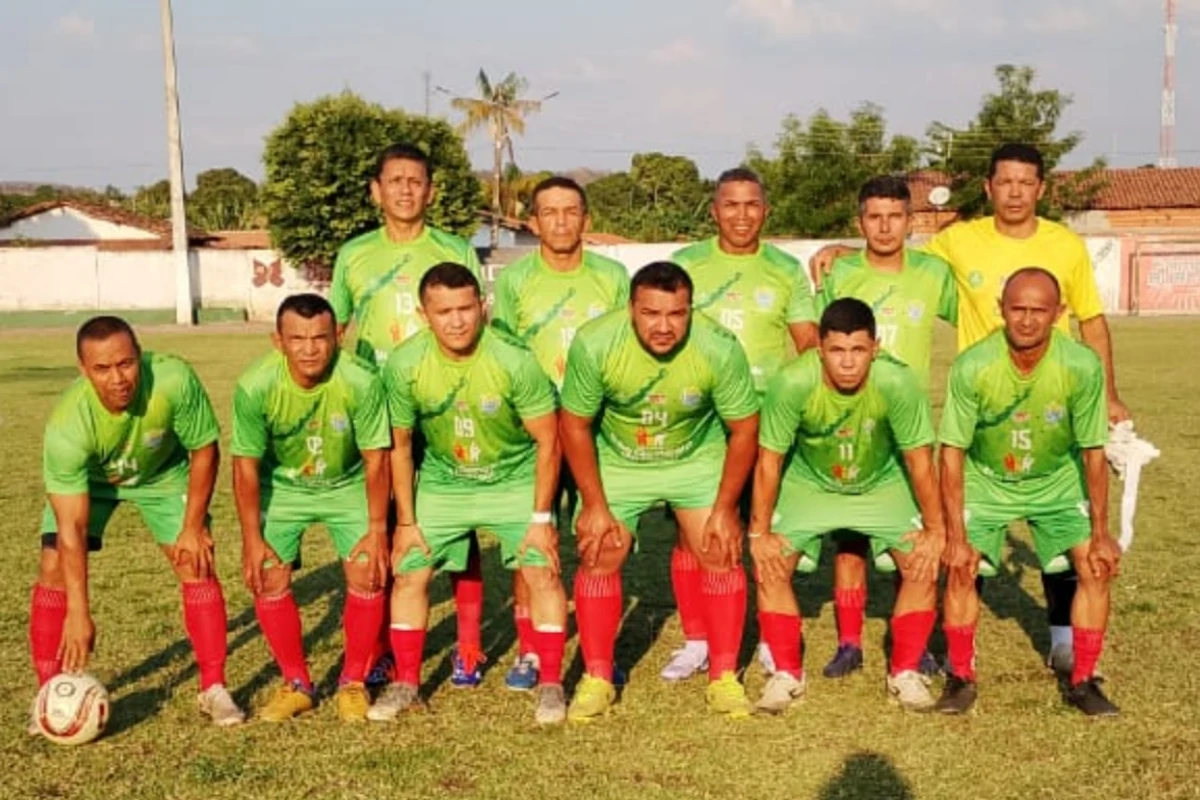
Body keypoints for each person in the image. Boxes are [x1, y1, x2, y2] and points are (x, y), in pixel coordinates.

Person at [810, 143, 1130, 673]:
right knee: (952, 530)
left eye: (1026, 182)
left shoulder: (1066, 246)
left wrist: (1110, 392)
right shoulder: (957, 242)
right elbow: (892, 258)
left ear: (1041, 189)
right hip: (977, 401)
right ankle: (946, 642)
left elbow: (1092, 322)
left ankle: (1061, 637)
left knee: (1059, 519)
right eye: (1004, 181)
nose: (1014, 191)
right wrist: (845, 248)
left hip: (1052, 394)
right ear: (988, 187)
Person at [559, 262, 760, 720]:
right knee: (600, 550)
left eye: (677, 314)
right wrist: (593, 504)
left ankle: (725, 677)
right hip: (620, 459)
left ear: (692, 310)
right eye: (651, 313)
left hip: (694, 457)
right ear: (630, 309)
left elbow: (745, 427)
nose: (665, 326)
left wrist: (727, 508)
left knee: (720, 547)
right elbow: (574, 423)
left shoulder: (719, 346)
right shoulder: (595, 342)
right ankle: (597, 677)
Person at [372, 264, 568, 725]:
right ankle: (406, 684)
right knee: (409, 573)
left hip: (513, 477)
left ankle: (553, 684)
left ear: (483, 307)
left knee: (543, 572)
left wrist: (541, 521)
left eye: (465, 308)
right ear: (425, 314)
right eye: (444, 311)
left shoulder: (513, 358)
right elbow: (399, 446)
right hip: (445, 481)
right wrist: (406, 522)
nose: (457, 321)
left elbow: (548, 441)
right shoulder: (404, 364)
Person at [29, 316, 243, 733]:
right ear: (83, 370)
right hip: (93, 482)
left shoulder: (173, 379)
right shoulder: (67, 426)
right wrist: (79, 611)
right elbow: (71, 527)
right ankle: (49, 693)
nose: (118, 379)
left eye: (125, 364)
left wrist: (193, 525)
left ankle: (213, 687)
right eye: (102, 369)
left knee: (194, 561)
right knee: (53, 564)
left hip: (162, 475)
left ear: (140, 357)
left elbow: (204, 449)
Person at [329, 142, 486, 689]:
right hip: (377, 410)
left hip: (441, 402)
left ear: (430, 190)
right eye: (394, 180)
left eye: (415, 181)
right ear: (376, 191)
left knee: (459, 521)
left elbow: (476, 324)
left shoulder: (454, 249)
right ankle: (378, 649)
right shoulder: (353, 255)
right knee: (385, 523)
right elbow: (339, 332)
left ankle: (468, 647)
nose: (404, 189)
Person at [748, 298, 946, 713]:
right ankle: (787, 674)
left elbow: (919, 462)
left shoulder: (897, 381)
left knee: (922, 561)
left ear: (876, 347)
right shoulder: (792, 382)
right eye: (837, 351)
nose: (848, 363)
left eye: (858, 350)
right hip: (811, 482)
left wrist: (936, 530)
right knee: (771, 562)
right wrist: (758, 533)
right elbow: (769, 462)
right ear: (819, 348)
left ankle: (905, 672)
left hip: (880, 480)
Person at [936, 268, 1119, 717]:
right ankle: (960, 676)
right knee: (961, 568)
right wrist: (956, 536)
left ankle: (1084, 680)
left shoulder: (1081, 364)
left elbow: (1094, 452)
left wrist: (1101, 532)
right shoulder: (974, 364)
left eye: (1040, 310)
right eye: (1018, 308)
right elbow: (952, 452)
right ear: (1001, 309)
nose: (1027, 320)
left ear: (1059, 314)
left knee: (1094, 566)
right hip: (987, 479)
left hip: (1057, 480)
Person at [663, 166, 818, 681]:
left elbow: (807, 344)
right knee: (695, 534)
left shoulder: (785, 269)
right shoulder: (687, 264)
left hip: (768, 420)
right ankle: (697, 638)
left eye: (752, 204)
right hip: (701, 421)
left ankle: (773, 638)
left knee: (767, 529)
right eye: (731, 204)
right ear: (714, 211)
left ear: (765, 211)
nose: (742, 214)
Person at [815, 175, 956, 680]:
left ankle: (912, 644)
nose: (884, 226)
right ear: (861, 222)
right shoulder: (840, 272)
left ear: (911, 222)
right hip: (852, 424)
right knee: (850, 538)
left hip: (910, 427)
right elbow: (819, 341)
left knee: (914, 538)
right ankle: (850, 643)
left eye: (894, 216)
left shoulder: (934, 274)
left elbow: (979, 319)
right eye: (874, 216)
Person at [491, 175, 629, 691]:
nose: (561, 221)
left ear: (586, 220)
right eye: (549, 212)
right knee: (534, 539)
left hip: (598, 428)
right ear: (533, 223)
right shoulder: (515, 280)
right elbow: (504, 353)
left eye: (571, 211)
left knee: (600, 538)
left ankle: (599, 649)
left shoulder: (613, 277)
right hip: (537, 429)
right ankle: (530, 650)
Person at [231, 294, 392, 722]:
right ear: (277, 341)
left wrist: (378, 530)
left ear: (338, 337)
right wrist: (251, 538)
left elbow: (378, 459)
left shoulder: (362, 381)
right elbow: (244, 467)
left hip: (347, 483)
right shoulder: (255, 385)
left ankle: (353, 682)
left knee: (367, 568)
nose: (309, 348)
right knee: (268, 575)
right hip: (282, 488)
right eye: (297, 339)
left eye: (320, 338)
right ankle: (297, 683)